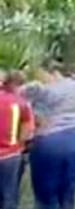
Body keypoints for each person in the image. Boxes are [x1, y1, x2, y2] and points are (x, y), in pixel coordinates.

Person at [22, 61, 75, 209]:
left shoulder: (42, 91)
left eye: (39, 74)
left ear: (51, 72)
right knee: (68, 187)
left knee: (46, 191)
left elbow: (24, 103)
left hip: (51, 141)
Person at [0, 70, 34, 209]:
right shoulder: (19, 102)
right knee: (9, 195)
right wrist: (20, 145)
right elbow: (28, 131)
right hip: (10, 154)